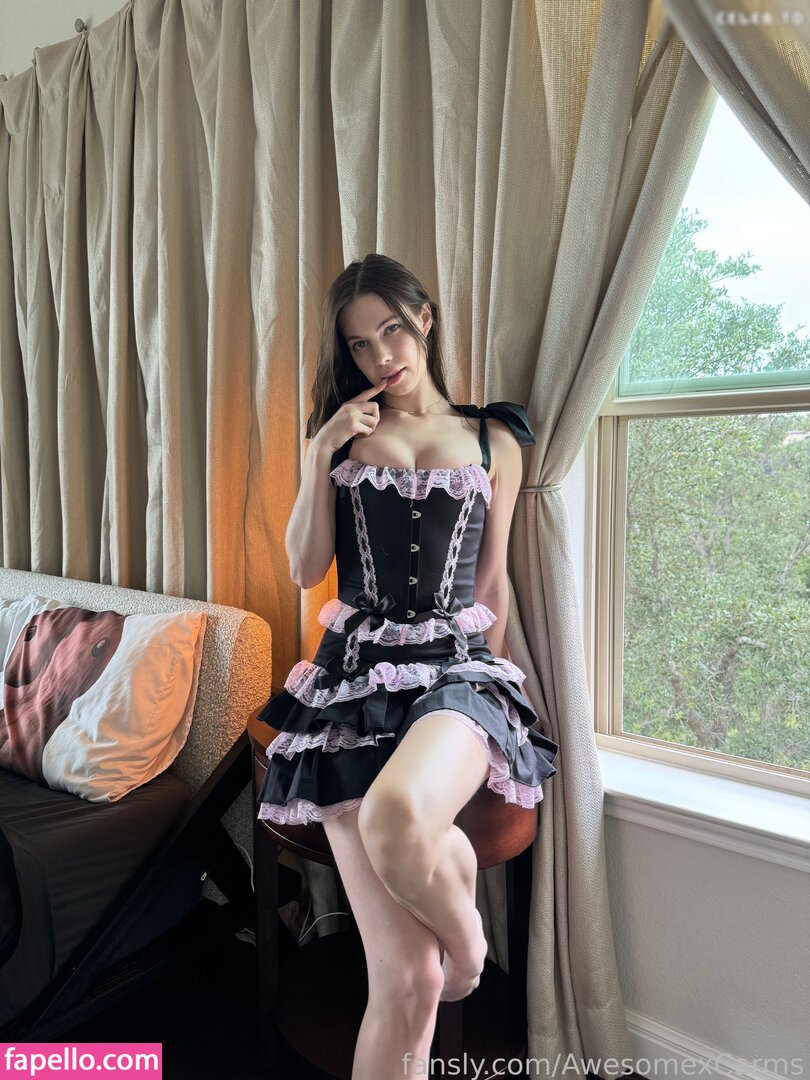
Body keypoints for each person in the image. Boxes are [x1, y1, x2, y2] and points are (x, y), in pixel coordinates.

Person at [257, 253, 559, 1078]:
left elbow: (490, 582)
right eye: (359, 344)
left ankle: (469, 951)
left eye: (391, 329)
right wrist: (320, 448)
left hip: (459, 673)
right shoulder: (345, 437)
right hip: (351, 682)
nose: (380, 355)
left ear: (424, 319)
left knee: (395, 822)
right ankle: (452, 940)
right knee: (408, 978)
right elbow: (304, 566)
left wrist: (500, 696)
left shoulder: (494, 439)